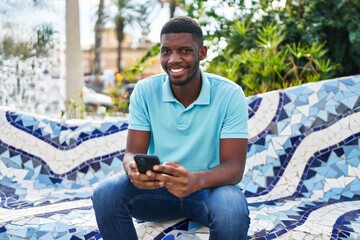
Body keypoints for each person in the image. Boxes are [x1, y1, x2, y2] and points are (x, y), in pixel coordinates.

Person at [92, 16, 250, 239]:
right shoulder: (145, 91)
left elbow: (234, 168)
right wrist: (133, 170)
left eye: (184, 51)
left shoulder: (229, 94)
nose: (173, 59)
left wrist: (196, 180)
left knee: (232, 210)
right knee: (105, 194)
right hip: (158, 190)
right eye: (166, 51)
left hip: (209, 190)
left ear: (202, 53)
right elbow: (132, 153)